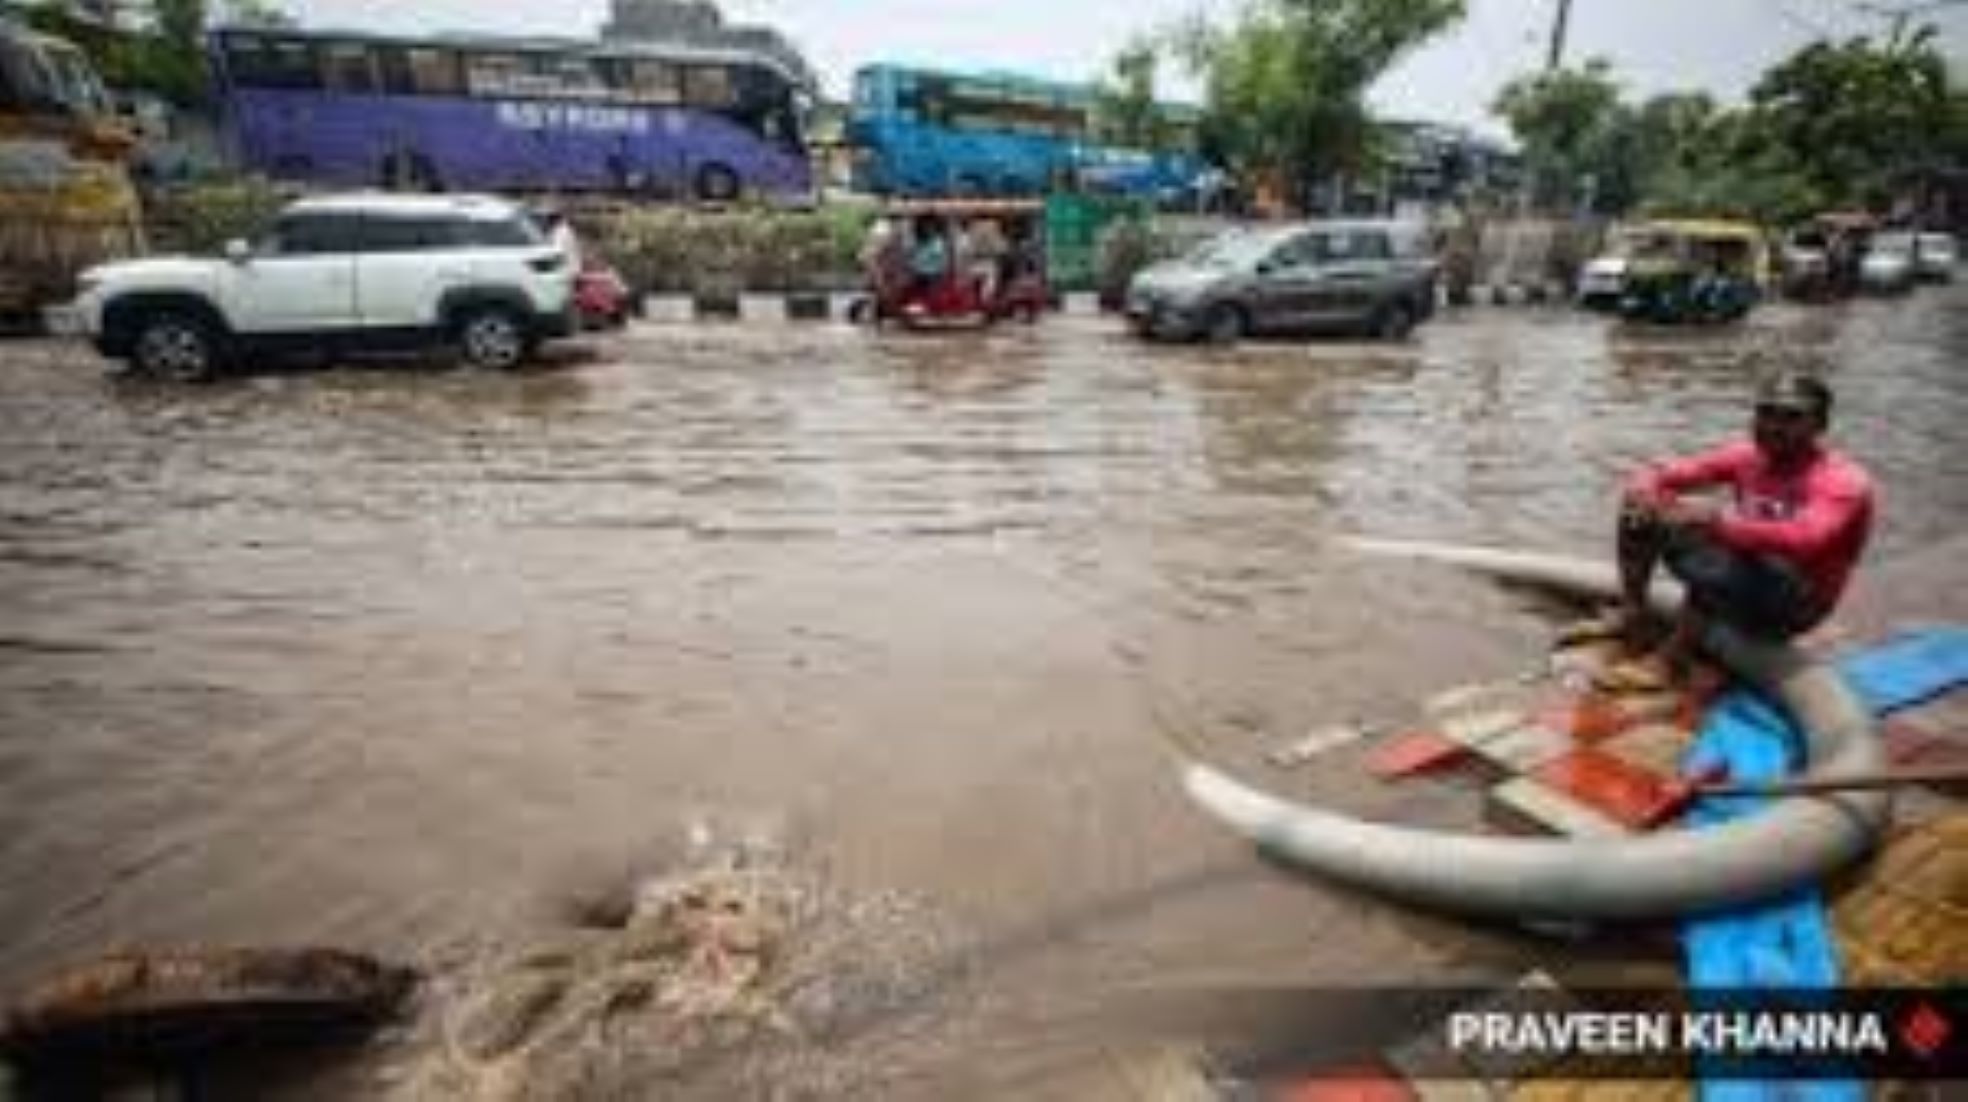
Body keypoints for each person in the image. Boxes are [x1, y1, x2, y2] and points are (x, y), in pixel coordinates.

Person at [1578, 370, 1876, 691]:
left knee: (1718, 551)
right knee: (1640, 512)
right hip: (1745, 575)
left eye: (1791, 417)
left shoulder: (1843, 481)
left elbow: (1806, 538)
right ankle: (1634, 613)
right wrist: (1648, 495)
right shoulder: (1747, 457)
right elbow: (1664, 475)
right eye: (1765, 413)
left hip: (1798, 602)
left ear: (1819, 426)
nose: (1773, 426)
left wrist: (1716, 523)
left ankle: (1672, 660)